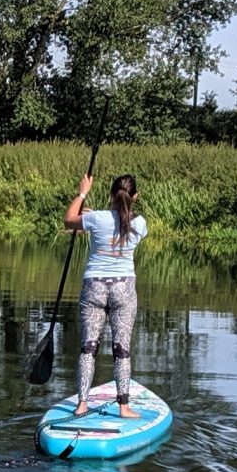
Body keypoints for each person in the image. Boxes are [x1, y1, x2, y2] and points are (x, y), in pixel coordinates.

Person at [63, 171, 147, 416]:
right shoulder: (139, 224)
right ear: (135, 196)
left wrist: (82, 193)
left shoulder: (96, 219)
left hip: (94, 287)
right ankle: (124, 407)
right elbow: (121, 222)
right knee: (122, 349)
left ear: (110, 194)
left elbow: (69, 220)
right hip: (124, 289)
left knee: (88, 347)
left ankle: (81, 404)